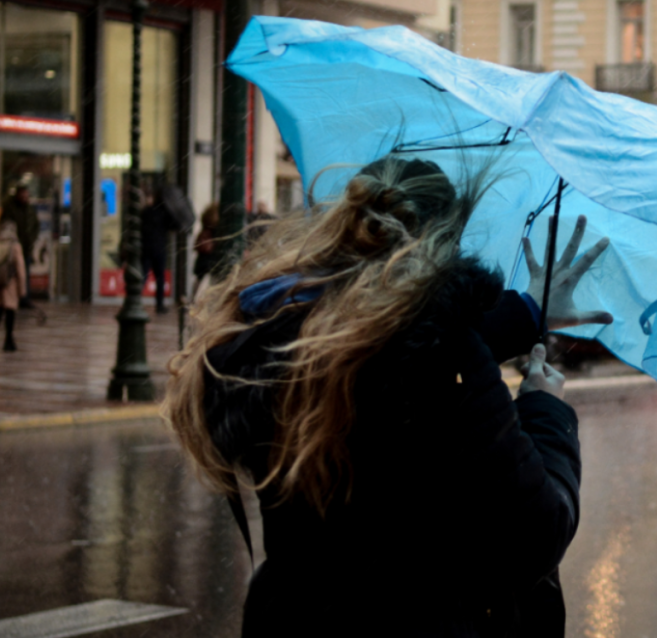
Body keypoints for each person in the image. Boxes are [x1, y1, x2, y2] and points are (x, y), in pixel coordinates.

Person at [165, 155, 612, 636]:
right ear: (445, 241)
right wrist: (547, 411)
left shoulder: (284, 329)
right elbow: (535, 535)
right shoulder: (442, 360)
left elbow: (391, 339)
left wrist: (530, 310)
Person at [0, 185, 37, 308]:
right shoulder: (10, 207)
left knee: (23, 272)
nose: (24, 197)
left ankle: (23, 297)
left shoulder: (29, 209)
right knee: (9, 273)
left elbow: (35, 225)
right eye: (22, 194)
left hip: (25, 247)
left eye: (26, 194)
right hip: (12, 246)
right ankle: (14, 298)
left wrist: (32, 239)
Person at [140, 182, 170, 314]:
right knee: (159, 278)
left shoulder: (146, 212)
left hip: (147, 248)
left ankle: (136, 300)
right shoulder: (163, 213)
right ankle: (159, 305)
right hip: (158, 249)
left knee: (143, 276)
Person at [0, 221, 26, 352]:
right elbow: (20, 270)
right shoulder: (15, 245)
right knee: (10, 311)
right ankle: (8, 339)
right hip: (10, 283)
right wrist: (22, 292)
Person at [192, 203, 220, 297]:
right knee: (214, 280)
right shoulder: (216, 227)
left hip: (202, 257)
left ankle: (192, 300)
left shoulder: (205, 223)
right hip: (211, 257)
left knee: (199, 280)